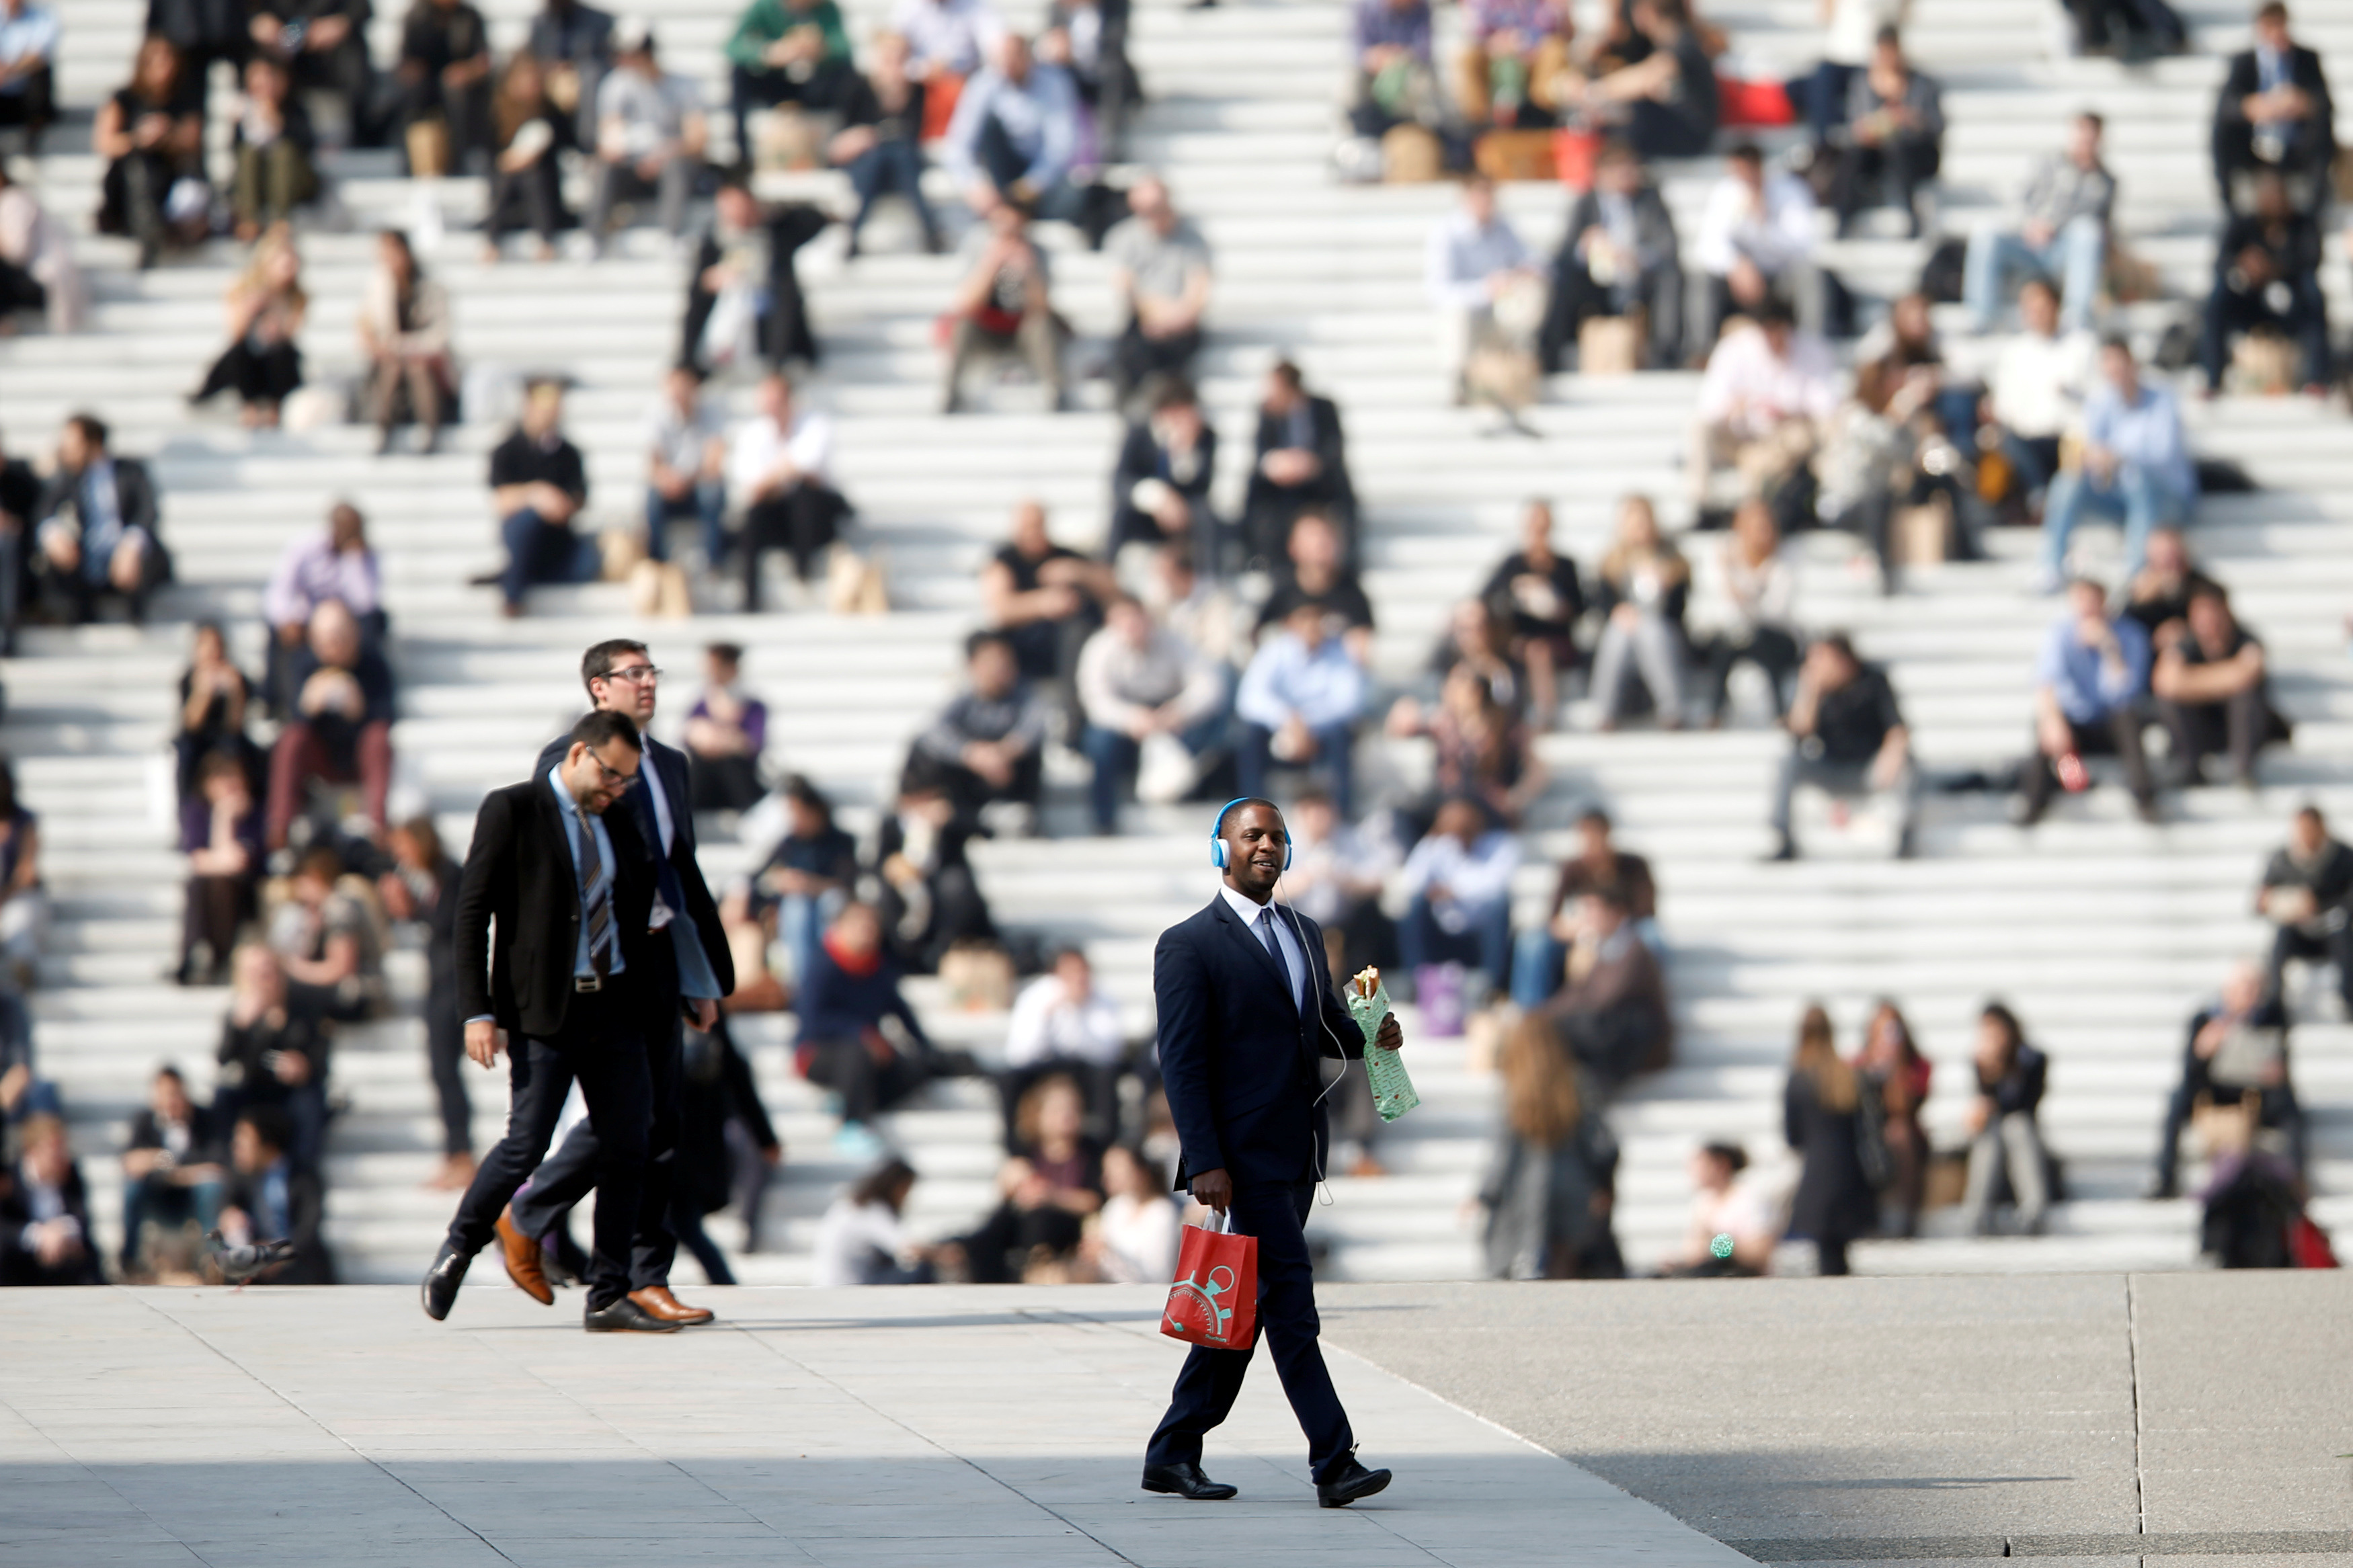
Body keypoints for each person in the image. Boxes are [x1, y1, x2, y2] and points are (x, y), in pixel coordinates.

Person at [1143, 796, 1398, 1508]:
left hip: (1297, 1151)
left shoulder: (1306, 931)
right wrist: (1204, 1159)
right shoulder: (1187, 942)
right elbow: (1183, 1063)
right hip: (1239, 1158)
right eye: (1251, 835)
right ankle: (1333, 1457)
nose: (1267, 845)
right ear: (1221, 849)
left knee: (1244, 1308)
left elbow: (1319, 1032)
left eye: (1277, 836)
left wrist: (1370, 1034)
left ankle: (1171, 1449)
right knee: (1290, 1301)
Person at [422, 712, 670, 1332]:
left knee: (627, 1145)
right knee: (525, 1142)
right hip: (543, 1011)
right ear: (582, 753)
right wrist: (477, 1009)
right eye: (612, 775)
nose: (618, 789)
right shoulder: (513, 809)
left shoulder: (619, 821)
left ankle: (609, 1293)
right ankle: (462, 1243)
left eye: (628, 782)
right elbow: (471, 912)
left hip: (613, 1004)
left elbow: (637, 913)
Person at [510, 640, 735, 1325]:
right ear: (598, 689)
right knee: (626, 1115)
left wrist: (702, 974)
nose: (647, 684)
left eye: (651, 672)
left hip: (662, 956)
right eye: (632, 674)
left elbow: (679, 869)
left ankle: (644, 1275)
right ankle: (533, 1212)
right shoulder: (566, 760)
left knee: (663, 1118)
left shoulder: (669, 763)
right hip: (604, 963)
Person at [797, 900, 962, 1153]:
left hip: (869, 1053)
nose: (867, 931)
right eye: (859, 925)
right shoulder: (821, 966)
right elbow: (813, 1020)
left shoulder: (879, 967)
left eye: (871, 926)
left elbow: (901, 1012)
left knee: (915, 1066)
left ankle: (850, 1098)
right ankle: (852, 1123)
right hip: (820, 1052)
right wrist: (862, 1033)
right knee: (856, 1053)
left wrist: (926, 1050)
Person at [2038, 340, 2196, 591]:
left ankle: (2136, 574)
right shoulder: (2101, 403)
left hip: (2168, 497)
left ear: (2133, 365)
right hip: (2123, 498)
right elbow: (2094, 450)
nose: (2115, 372)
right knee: (2067, 480)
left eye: (2119, 363)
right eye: (2108, 365)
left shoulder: (2163, 399)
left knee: (2137, 478)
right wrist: (2092, 459)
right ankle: (2051, 567)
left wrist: (2118, 456)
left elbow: (2164, 453)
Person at [1473, 1012, 1618, 1280]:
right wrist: (1604, 1185)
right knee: (1567, 1266)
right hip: (1576, 1188)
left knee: (1527, 1265)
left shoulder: (1514, 1091)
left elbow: (1504, 1153)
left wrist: (1486, 1193)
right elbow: (1603, 1144)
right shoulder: (1577, 1083)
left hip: (1523, 1191)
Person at [2151, 959, 2304, 1200]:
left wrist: (2275, 1071)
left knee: (2289, 1106)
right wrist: (2203, 1051)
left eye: (2255, 988)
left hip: (2257, 1093)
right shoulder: (2204, 1019)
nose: (2249, 995)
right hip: (2215, 1094)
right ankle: (2165, 1178)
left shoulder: (2273, 1016)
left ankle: (2296, 1180)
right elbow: (2190, 1072)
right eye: (2243, 988)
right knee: (2177, 1100)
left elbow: (2285, 1067)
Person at [1076, 593, 1226, 834]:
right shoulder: (1099, 648)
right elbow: (1095, 700)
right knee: (1098, 741)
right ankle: (1104, 819)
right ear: (1110, 622)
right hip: (1124, 724)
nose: (1132, 626)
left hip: (1171, 718)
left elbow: (1209, 686)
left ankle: (1192, 795)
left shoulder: (1174, 642)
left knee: (1217, 726)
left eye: (1137, 619)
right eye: (1124, 619)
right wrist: (1132, 719)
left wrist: (1179, 712)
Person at [378, 816, 473, 1190]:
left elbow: (451, 925)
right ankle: (455, 1153)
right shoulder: (435, 879)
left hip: (453, 985)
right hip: (440, 983)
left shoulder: (451, 876)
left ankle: (461, 1155)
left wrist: (412, 908)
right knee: (441, 1072)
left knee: (446, 1072)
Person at [2018, 577, 2157, 827]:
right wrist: (2054, 722)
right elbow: (2046, 682)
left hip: (2112, 726)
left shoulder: (2130, 634)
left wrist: (2110, 649)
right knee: (2045, 726)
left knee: (2128, 718)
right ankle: (2040, 799)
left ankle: (2144, 797)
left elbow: (2126, 693)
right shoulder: (2060, 635)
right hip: (2075, 727)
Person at [1767, 632, 1915, 862]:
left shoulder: (1873, 682)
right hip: (1832, 768)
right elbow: (1800, 732)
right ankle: (1783, 836)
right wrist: (1810, 690)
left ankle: (1905, 834)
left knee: (1907, 763)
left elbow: (1897, 729)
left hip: (1870, 768)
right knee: (1788, 761)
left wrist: (1892, 753)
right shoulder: (1818, 690)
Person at [1962, 110, 2112, 335]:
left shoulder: (2105, 182)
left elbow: (2103, 230)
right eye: (2081, 135)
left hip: (2064, 250)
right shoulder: (2046, 162)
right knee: (1986, 232)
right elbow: (2018, 199)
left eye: (2091, 137)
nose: (2085, 143)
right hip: (2027, 244)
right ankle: (1981, 318)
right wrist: (2031, 224)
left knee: (2087, 232)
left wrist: (2056, 228)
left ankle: (2078, 319)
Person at [266, 599, 395, 848]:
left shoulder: (373, 663)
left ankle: (379, 824)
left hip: (359, 756)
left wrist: (360, 709)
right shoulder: (301, 665)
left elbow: (387, 717)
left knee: (378, 738)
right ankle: (280, 824)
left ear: (354, 634)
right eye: (327, 638)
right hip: (320, 758)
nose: (333, 646)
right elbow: (290, 718)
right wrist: (308, 706)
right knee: (292, 738)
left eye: (339, 637)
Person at [1688, 300, 1838, 513]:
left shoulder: (1812, 350)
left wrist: (1787, 410)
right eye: (1768, 331)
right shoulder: (1735, 348)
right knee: (1700, 428)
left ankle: (1823, 501)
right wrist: (1739, 406)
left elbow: (1826, 406)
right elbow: (1710, 404)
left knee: (1804, 436)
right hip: (1740, 437)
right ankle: (1701, 504)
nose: (1774, 338)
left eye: (1780, 331)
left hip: (1783, 438)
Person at [957, 1073, 1103, 1281]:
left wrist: (1051, 1195)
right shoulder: (1030, 1151)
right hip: (1026, 1222)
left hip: (1066, 1224)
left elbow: (1095, 1201)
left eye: (1073, 1109)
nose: (1067, 1115)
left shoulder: (1090, 1152)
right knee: (988, 1236)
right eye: (1058, 1110)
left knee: (1039, 1220)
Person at [30, 412, 167, 626]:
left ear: (92, 443)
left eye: (72, 442)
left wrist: (130, 545)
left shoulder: (131, 471)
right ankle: (79, 615)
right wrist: (53, 534)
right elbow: (45, 509)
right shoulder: (70, 475)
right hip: (89, 561)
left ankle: (137, 616)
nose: (66, 447)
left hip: (126, 557)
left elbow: (148, 512)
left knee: (143, 553)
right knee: (53, 559)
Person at [728, 372, 851, 608]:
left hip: (816, 516)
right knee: (753, 516)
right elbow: (754, 484)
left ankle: (803, 569)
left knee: (804, 496)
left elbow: (809, 468)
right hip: (777, 515)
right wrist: (785, 473)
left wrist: (774, 478)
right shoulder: (753, 433)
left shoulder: (815, 423)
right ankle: (750, 596)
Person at [1512, 807, 1655, 1009]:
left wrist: (1610, 922)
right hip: (1583, 932)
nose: (1590, 842)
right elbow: (1553, 916)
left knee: (1653, 938)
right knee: (1532, 942)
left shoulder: (1633, 866)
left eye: (1595, 835)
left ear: (1607, 834)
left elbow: (1646, 910)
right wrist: (1577, 926)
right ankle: (1530, 1011)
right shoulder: (1571, 868)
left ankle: (1648, 1005)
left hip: (1623, 930)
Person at [2200, 170, 2329, 396]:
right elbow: (2220, 261)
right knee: (2217, 297)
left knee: (2313, 293)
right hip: (2250, 302)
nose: (2275, 202)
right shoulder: (2243, 225)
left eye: (2279, 195)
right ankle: (2213, 379)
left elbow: (2312, 259)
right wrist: (2244, 265)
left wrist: (2275, 268)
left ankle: (2317, 378)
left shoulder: (2301, 225)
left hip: (2291, 303)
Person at [1236, 600, 1369, 815]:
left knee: (1341, 735)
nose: (1312, 625)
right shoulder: (1275, 651)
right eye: (1305, 618)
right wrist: (1288, 719)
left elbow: (1349, 703)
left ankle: (1341, 813)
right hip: (1281, 732)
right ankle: (1253, 811)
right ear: (1291, 623)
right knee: (1249, 735)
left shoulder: (1340, 653)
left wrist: (1305, 724)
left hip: (1322, 735)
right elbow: (1249, 698)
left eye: (1317, 618)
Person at [683, 181, 830, 374]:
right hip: (729, 330)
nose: (738, 215)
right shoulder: (713, 244)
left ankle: (778, 367)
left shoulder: (777, 234)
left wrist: (773, 212)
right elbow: (697, 297)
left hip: (770, 326)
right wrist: (709, 282)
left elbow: (815, 219)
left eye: (741, 207)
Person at [2150, 583, 2287, 789]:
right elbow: (2165, 684)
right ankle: (2190, 767)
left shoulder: (2247, 640)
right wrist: (2226, 678)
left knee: (2246, 698)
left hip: (2239, 730)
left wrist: (2189, 683)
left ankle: (2244, 768)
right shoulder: (2185, 643)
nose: (2208, 621)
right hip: (2200, 728)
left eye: (2213, 611)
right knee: (2169, 703)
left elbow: (2248, 675)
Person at [213, 942, 331, 1173]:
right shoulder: (239, 1014)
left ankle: (302, 1171)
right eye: (257, 973)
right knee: (224, 1096)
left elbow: (323, 1060)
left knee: (311, 1100)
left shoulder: (304, 1010)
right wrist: (241, 1027)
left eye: (270, 970)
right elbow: (224, 1061)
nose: (265, 978)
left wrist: (304, 1067)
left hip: (292, 1093)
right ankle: (230, 1166)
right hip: (255, 1091)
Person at [909, 630, 1051, 823]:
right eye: (991, 661)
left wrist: (1002, 753)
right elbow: (935, 731)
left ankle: (1019, 814)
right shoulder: (963, 699)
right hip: (969, 776)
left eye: (1005, 659)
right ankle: (921, 807)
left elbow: (1035, 727)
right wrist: (972, 754)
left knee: (1030, 755)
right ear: (973, 665)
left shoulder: (1027, 696)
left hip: (1009, 775)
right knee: (921, 748)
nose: (1000, 667)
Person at [941, 33, 1084, 222]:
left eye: (1016, 56)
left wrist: (1034, 183)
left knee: (1071, 197)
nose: (1010, 64)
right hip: (999, 173)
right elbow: (959, 144)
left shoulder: (1055, 82)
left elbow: (1061, 144)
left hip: (1041, 175)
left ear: (1029, 57)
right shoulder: (983, 84)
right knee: (991, 128)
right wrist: (975, 186)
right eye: (1004, 57)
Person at [1536, 889, 1671, 1088]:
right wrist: (1541, 1015)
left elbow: (1606, 997)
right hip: (1608, 1029)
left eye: (1593, 910)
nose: (1587, 918)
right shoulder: (1603, 947)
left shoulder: (1634, 949)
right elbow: (1576, 993)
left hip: (1635, 1037)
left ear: (1615, 912)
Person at [943, 194, 1065, 413]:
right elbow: (967, 304)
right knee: (962, 327)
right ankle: (951, 392)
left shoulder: (1038, 253)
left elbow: (1043, 307)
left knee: (1043, 326)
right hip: (988, 327)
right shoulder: (978, 249)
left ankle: (1055, 390)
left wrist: (1029, 273)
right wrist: (991, 265)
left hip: (1023, 329)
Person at [1982, 277, 2097, 509]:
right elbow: (2005, 406)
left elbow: (2096, 398)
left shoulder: (2082, 345)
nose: (2036, 314)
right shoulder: (2015, 352)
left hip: (2068, 439)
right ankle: (2040, 496)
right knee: (2007, 441)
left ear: (2056, 306)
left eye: (2041, 307)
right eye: (2030, 309)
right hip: (2028, 441)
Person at [589, 22, 706, 247]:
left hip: (671, 163)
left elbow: (698, 139)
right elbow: (608, 138)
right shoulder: (615, 86)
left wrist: (664, 154)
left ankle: (671, 235)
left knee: (677, 167)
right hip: (632, 166)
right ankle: (594, 238)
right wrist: (623, 152)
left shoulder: (683, 86)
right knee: (603, 168)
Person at [1690, 141, 1814, 352]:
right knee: (1702, 277)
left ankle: (1810, 344)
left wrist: (1763, 224)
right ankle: (1702, 350)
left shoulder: (1789, 189)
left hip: (1780, 274)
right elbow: (1709, 244)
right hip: (1739, 278)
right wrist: (1737, 264)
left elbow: (1803, 243)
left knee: (1810, 275)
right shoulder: (1725, 192)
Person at [2210, 1, 2335, 210]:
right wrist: (2252, 106)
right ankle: (2230, 206)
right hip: (2255, 145)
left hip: (2295, 145)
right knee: (2221, 129)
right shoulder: (2244, 62)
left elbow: (2325, 103)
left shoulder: (2306, 59)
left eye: (2280, 25)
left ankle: (2316, 208)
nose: (2276, 33)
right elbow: (2227, 104)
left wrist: (2302, 103)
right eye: (2270, 26)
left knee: (2322, 128)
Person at [873, 764, 998, 972]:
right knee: (888, 893)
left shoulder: (948, 821)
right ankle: (904, 952)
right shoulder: (892, 825)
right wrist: (894, 867)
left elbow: (986, 831)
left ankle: (945, 948)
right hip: (907, 888)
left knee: (955, 885)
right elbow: (878, 864)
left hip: (943, 890)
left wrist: (952, 819)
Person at [95, 36, 205, 269]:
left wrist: (167, 134)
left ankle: (154, 233)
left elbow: (193, 142)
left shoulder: (185, 100)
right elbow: (105, 143)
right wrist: (138, 138)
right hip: (127, 185)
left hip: (170, 181)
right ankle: (150, 234)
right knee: (140, 167)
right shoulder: (124, 99)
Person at [1426, 175, 1536, 406]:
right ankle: (1460, 382)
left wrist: (1520, 274)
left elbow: (1534, 261)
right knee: (1457, 314)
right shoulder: (1446, 233)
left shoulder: (1503, 227)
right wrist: (1485, 289)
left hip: (1502, 311)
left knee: (1531, 291)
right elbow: (1439, 292)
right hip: (1468, 313)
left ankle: (1519, 371)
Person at [487, 378, 592, 617]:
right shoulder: (507, 449)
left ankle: (516, 577)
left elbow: (579, 499)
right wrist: (535, 495)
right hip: (522, 533)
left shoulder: (568, 453)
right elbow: (501, 500)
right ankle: (512, 595)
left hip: (558, 537)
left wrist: (558, 503)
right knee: (528, 520)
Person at [1783, 1004, 1874, 1276]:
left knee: (1824, 1254)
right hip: (1848, 1170)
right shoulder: (1847, 1075)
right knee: (1841, 1254)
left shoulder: (1800, 1079)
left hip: (1817, 1173)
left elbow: (1792, 1135)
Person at [1105, 175, 1212, 407]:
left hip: (1181, 322)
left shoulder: (1193, 238)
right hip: (1145, 319)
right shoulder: (1126, 237)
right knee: (1132, 350)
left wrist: (1176, 317)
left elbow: (1199, 289)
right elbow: (1127, 288)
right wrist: (1153, 314)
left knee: (1176, 351)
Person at [1398, 796, 1519, 999]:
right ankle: (1418, 984)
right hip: (1443, 932)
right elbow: (1411, 881)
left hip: (1480, 934)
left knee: (1500, 904)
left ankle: (1492, 987)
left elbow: (1497, 885)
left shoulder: (1501, 844)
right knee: (1416, 904)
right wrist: (1433, 835)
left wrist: (1454, 891)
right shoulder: (1438, 845)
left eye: (1465, 824)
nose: (1459, 830)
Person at [834, 31, 941, 258]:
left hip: (901, 160)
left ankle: (929, 230)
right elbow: (843, 137)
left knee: (897, 156)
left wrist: (896, 95)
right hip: (870, 162)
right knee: (876, 160)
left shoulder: (917, 90)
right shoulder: (858, 87)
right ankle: (855, 233)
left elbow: (914, 131)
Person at [1588, 494, 1689, 731]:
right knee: (1618, 631)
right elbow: (1601, 606)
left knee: (1650, 630)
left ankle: (1672, 709)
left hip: (1662, 639)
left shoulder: (1673, 562)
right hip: (1624, 640)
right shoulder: (1610, 563)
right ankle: (1605, 712)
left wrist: (1666, 588)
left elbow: (1679, 612)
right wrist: (1620, 612)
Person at [1565, 0, 1716, 159]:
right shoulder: (1671, 42)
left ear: (1649, 10)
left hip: (1690, 137)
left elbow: (1648, 77)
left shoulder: (1682, 42)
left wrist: (1591, 91)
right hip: (1680, 132)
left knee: (1634, 115)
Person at [190, 224, 307, 427]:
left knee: (284, 354)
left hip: (275, 362)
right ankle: (250, 407)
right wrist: (252, 309)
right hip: (248, 358)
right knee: (239, 355)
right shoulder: (244, 288)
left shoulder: (296, 297)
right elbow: (236, 333)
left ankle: (273, 406)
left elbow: (288, 334)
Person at [1478, 501, 1583, 731]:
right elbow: (1486, 598)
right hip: (1517, 639)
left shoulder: (1565, 566)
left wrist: (1555, 605)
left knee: (1539, 652)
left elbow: (1579, 610)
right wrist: (1517, 592)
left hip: (1554, 641)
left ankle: (1545, 715)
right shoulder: (1513, 564)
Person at [751, 774, 859, 988]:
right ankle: (804, 983)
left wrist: (809, 885)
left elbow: (847, 884)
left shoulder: (841, 842)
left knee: (831, 901)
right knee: (796, 906)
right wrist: (779, 881)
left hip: (829, 906)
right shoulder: (788, 844)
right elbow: (759, 878)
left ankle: (829, 976)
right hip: (790, 913)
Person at [1831, 28, 1941, 238]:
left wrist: (1910, 120)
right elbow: (1854, 125)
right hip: (1874, 151)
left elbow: (1936, 126)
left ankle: (1911, 215)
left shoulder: (1923, 84)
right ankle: (1843, 216)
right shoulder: (1863, 83)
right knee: (1853, 154)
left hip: (1914, 152)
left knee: (1897, 148)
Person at [1242, 362, 1354, 568]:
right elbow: (1260, 452)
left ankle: (1347, 558)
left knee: (1342, 482)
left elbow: (1334, 447)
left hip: (1319, 481)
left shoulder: (1323, 408)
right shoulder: (1267, 412)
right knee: (1254, 485)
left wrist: (1311, 463)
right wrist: (1277, 463)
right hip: (1283, 485)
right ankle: (1258, 557)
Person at [1699, 498, 1799, 726]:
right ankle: (1715, 712)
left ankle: (1781, 712)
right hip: (1738, 638)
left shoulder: (1784, 561)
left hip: (1775, 639)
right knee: (1726, 645)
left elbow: (1777, 613)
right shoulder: (1725, 559)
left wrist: (1741, 593)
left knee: (1760, 640)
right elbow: (1725, 614)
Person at [986, 497, 1109, 681]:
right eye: (1028, 527)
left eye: (1038, 525)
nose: (1034, 533)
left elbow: (1113, 585)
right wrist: (1043, 603)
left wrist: (1078, 572)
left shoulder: (1065, 557)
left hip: (1067, 644)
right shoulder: (1005, 561)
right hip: (1024, 648)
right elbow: (1000, 609)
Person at [120, 1065, 225, 1278]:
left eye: (177, 1094)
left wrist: (172, 1172)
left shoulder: (205, 1120)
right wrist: (162, 1160)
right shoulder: (144, 1121)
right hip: (157, 1198)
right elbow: (129, 1163)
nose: (172, 1102)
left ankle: (212, 1260)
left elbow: (217, 1167)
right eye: (166, 1095)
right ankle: (128, 1261)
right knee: (132, 1188)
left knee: (212, 1188)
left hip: (192, 1199)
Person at [1956, 1001, 2050, 1236]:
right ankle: (1976, 1215)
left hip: (2024, 1145)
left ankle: (2034, 1213)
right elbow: (1987, 1106)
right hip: (1995, 1150)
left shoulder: (2033, 1060)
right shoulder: (1981, 1063)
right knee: (1991, 1130)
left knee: (2015, 1126)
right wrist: (1990, 1073)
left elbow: (2025, 1105)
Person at [358, 230, 453, 454]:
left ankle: (430, 428)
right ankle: (382, 425)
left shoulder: (430, 287)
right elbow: (368, 329)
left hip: (426, 368)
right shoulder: (378, 287)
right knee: (393, 365)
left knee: (416, 366)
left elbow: (439, 336)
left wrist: (403, 347)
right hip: (389, 369)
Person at [215, 1104, 333, 1283]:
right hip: (257, 1264)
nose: (236, 1145)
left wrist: (279, 1254)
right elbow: (228, 1203)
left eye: (245, 1138)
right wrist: (229, 1215)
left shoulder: (303, 1177)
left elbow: (308, 1229)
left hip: (295, 1265)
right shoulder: (242, 1176)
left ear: (268, 1144)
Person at [268, 845, 387, 1023]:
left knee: (284, 989)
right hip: (351, 991)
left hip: (359, 995)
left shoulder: (339, 909)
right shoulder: (328, 909)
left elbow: (341, 969)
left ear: (315, 877)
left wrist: (295, 969)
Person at [1107, 380, 1219, 569]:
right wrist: (1157, 497)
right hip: (1145, 511)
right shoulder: (1139, 433)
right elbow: (1121, 482)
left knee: (1205, 515)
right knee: (1122, 513)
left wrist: (1184, 453)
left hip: (1183, 513)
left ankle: (1208, 575)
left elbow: (1203, 485)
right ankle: (1110, 568)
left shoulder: (1206, 436)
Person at [2257, 804, 2353, 1015]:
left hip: (2335, 931)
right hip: (2301, 933)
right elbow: (2260, 902)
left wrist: (2319, 905)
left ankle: (2349, 998)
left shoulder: (2344, 858)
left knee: (2345, 932)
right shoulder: (2282, 860)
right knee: (2281, 937)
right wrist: (2287, 903)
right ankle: (2275, 1002)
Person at [726, 0, 856, 156]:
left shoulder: (827, 8)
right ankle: (742, 154)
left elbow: (844, 48)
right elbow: (733, 46)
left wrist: (822, 49)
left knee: (847, 74)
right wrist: (768, 52)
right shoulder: (765, 7)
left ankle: (845, 143)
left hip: (813, 85)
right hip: (775, 81)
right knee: (740, 74)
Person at [177, 752, 263, 987]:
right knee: (199, 883)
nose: (231, 787)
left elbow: (238, 863)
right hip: (211, 892)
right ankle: (196, 953)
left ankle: (211, 955)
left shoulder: (254, 814)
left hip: (246, 892)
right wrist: (221, 816)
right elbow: (197, 860)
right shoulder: (197, 811)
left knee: (218, 882)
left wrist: (224, 818)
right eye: (223, 779)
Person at [483, 50, 574, 261]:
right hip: (509, 192)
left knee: (534, 175)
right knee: (508, 177)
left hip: (545, 194)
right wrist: (512, 160)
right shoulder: (499, 112)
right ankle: (492, 239)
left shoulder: (550, 112)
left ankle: (545, 239)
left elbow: (568, 145)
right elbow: (492, 154)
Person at [1255, 511, 1374, 661]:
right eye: (1312, 536)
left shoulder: (1351, 592)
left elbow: (1363, 647)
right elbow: (1259, 636)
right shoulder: (1283, 590)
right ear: (1293, 546)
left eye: (1325, 536)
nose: (1320, 543)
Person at [394, 0, 493, 174]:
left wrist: (466, 71)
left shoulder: (470, 17)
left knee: (455, 93)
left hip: (461, 84)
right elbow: (405, 61)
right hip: (426, 83)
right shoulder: (416, 17)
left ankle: (458, 160)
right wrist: (414, 72)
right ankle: (413, 161)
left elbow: (483, 62)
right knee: (413, 94)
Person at [1858, 1000, 1930, 1237]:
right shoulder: (1859, 1064)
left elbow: (1904, 1108)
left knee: (1899, 1134)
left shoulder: (1917, 1067)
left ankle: (1904, 1218)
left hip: (1904, 1137)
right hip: (1865, 1135)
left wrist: (1894, 1068)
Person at [227, 56, 319, 241]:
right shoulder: (245, 109)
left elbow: (308, 147)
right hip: (259, 180)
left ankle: (281, 220)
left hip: (294, 181)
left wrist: (280, 124)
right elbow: (235, 151)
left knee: (284, 152)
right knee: (248, 153)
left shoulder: (295, 108)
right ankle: (250, 219)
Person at [643, 364, 726, 569]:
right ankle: (657, 561)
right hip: (671, 488)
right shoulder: (656, 415)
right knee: (652, 497)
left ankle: (713, 561)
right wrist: (669, 480)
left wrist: (685, 480)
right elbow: (653, 464)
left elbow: (714, 463)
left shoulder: (712, 414)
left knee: (712, 493)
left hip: (697, 486)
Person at [1, 1113, 99, 1284]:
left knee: (86, 1253)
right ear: (32, 1150)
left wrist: (61, 1232)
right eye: (52, 1148)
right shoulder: (10, 1177)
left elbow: (82, 1216)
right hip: (21, 1257)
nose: (59, 1156)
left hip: (62, 1252)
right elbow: (5, 1226)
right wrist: (39, 1235)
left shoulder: (70, 1172)